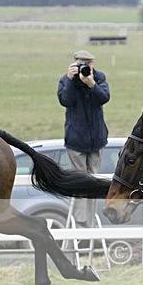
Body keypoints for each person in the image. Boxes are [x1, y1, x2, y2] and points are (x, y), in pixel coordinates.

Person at [57, 49, 110, 227]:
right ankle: (81, 222)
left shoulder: (99, 77)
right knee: (80, 179)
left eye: (88, 63)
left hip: (96, 138)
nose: (84, 67)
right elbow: (65, 100)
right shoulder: (66, 80)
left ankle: (92, 219)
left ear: (93, 64)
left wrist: (91, 83)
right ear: (74, 63)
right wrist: (72, 81)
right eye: (81, 63)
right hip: (76, 139)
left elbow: (104, 98)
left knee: (94, 180)